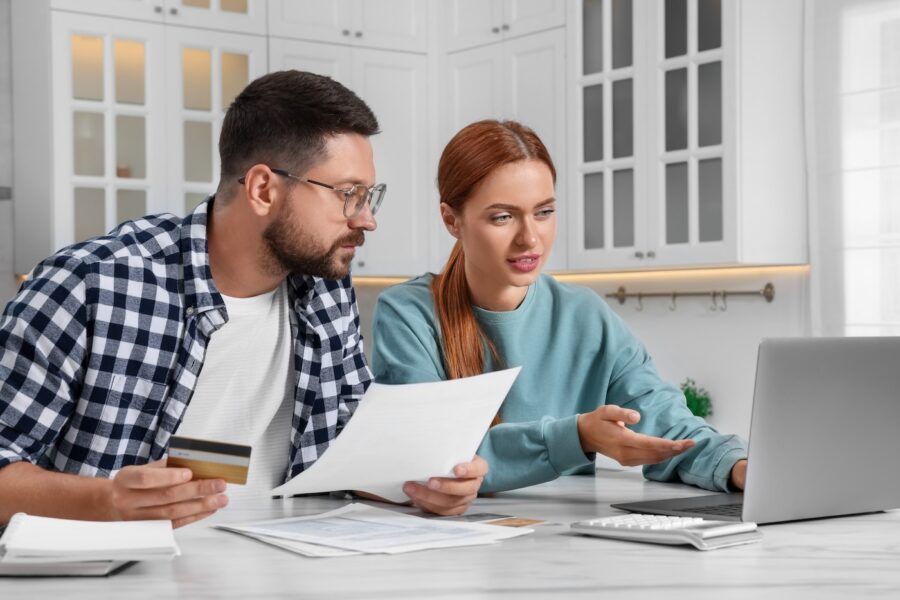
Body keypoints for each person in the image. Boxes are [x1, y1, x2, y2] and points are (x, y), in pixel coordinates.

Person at [0, 71, 485, 526]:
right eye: (348, 194)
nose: (366, 219)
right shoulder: (92, 285)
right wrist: (106, 502)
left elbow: (339, 457)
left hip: (285, 564)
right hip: (124, 575)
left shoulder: (325, 288)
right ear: (261, 188)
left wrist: (420, 484)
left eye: (368, 196)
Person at [371, 120, 748, 494]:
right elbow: (430, 455)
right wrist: (577, 436)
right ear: (452, 220)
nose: (530, 238)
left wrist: (738, 467)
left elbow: (668, 425)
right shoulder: (409, 314)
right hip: (451, 542)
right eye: (502, 217)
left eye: (544, 212)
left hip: (568, 542)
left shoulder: (584, 315)